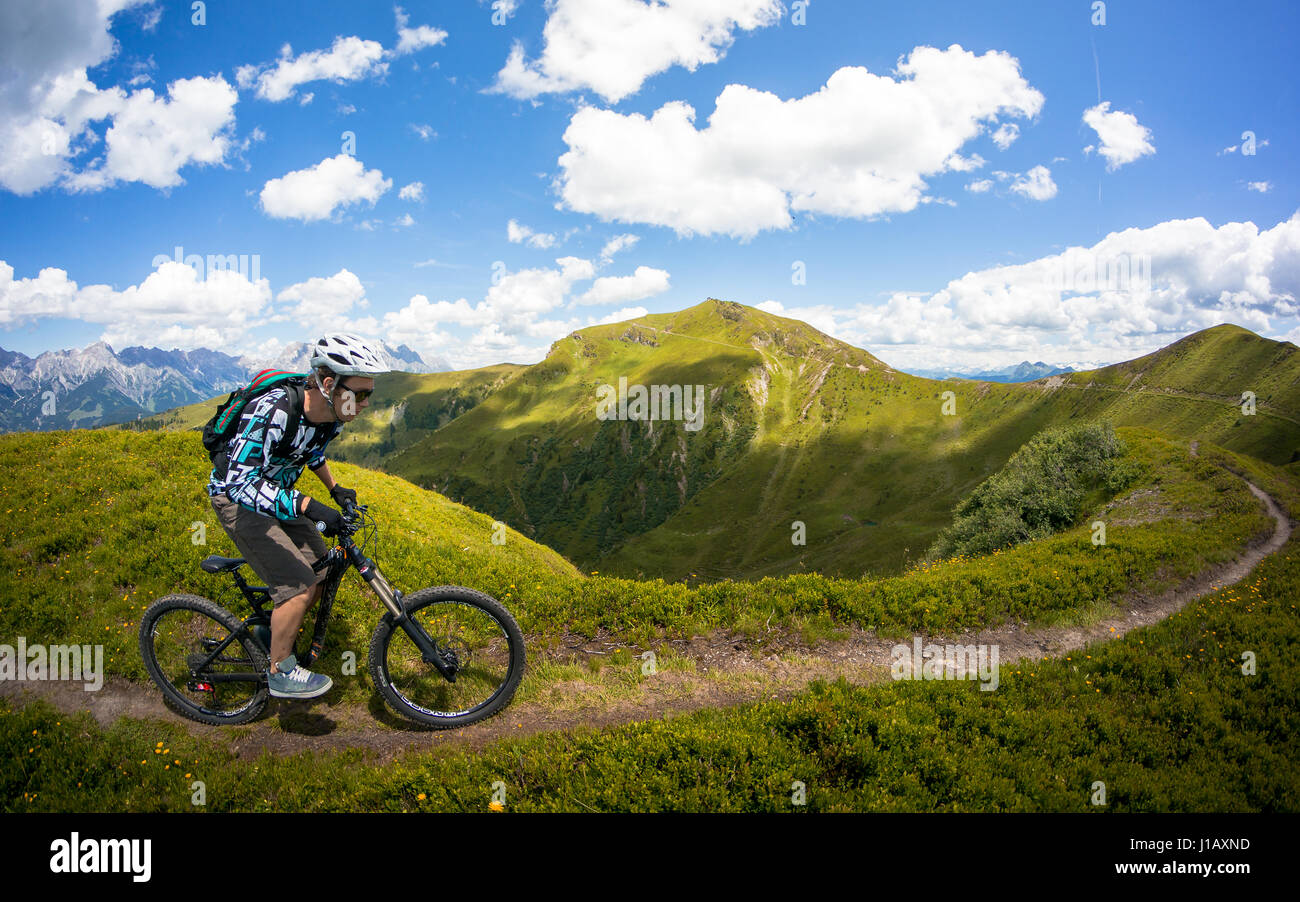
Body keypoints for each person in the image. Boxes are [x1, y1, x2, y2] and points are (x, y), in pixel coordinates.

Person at [207, 333, 388, 698]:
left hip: (281, 496)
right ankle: (280, 672)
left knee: (321, 570)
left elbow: (310, 451)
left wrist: (334, 489)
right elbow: (240, 484)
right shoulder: (274, 410)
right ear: (328, 384)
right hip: (238, 501)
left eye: (370, 394)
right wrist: (308, 506)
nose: (365, 404)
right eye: (360, 394)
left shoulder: (332, 416)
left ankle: (272, 633)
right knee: (298, 584)